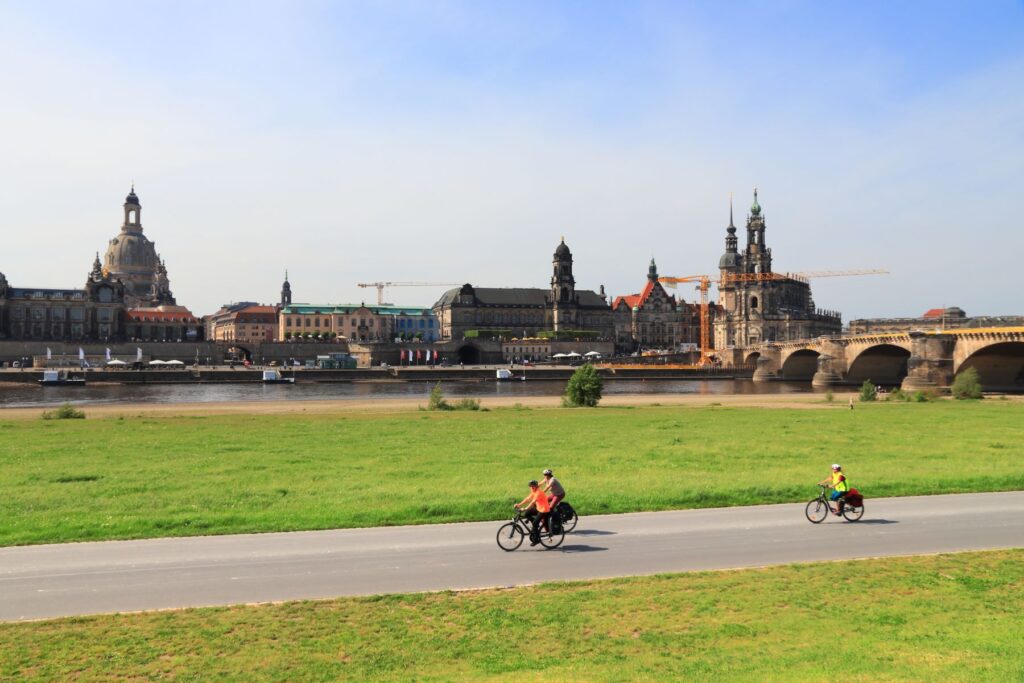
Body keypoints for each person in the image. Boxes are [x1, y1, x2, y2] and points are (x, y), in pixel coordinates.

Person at [515, 480, 552, 545]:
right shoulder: (533, 491)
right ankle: (536, 525)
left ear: (536, 486)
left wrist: (526, 508)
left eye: (533, 486)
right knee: (527, 513)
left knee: (534, 523)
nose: (531, 488)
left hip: (544, 510)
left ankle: (537, 539)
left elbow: (533, 502)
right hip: (539, 508)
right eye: (530, 486)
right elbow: (528, 499)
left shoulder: (539, 492)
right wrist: (519, 504)